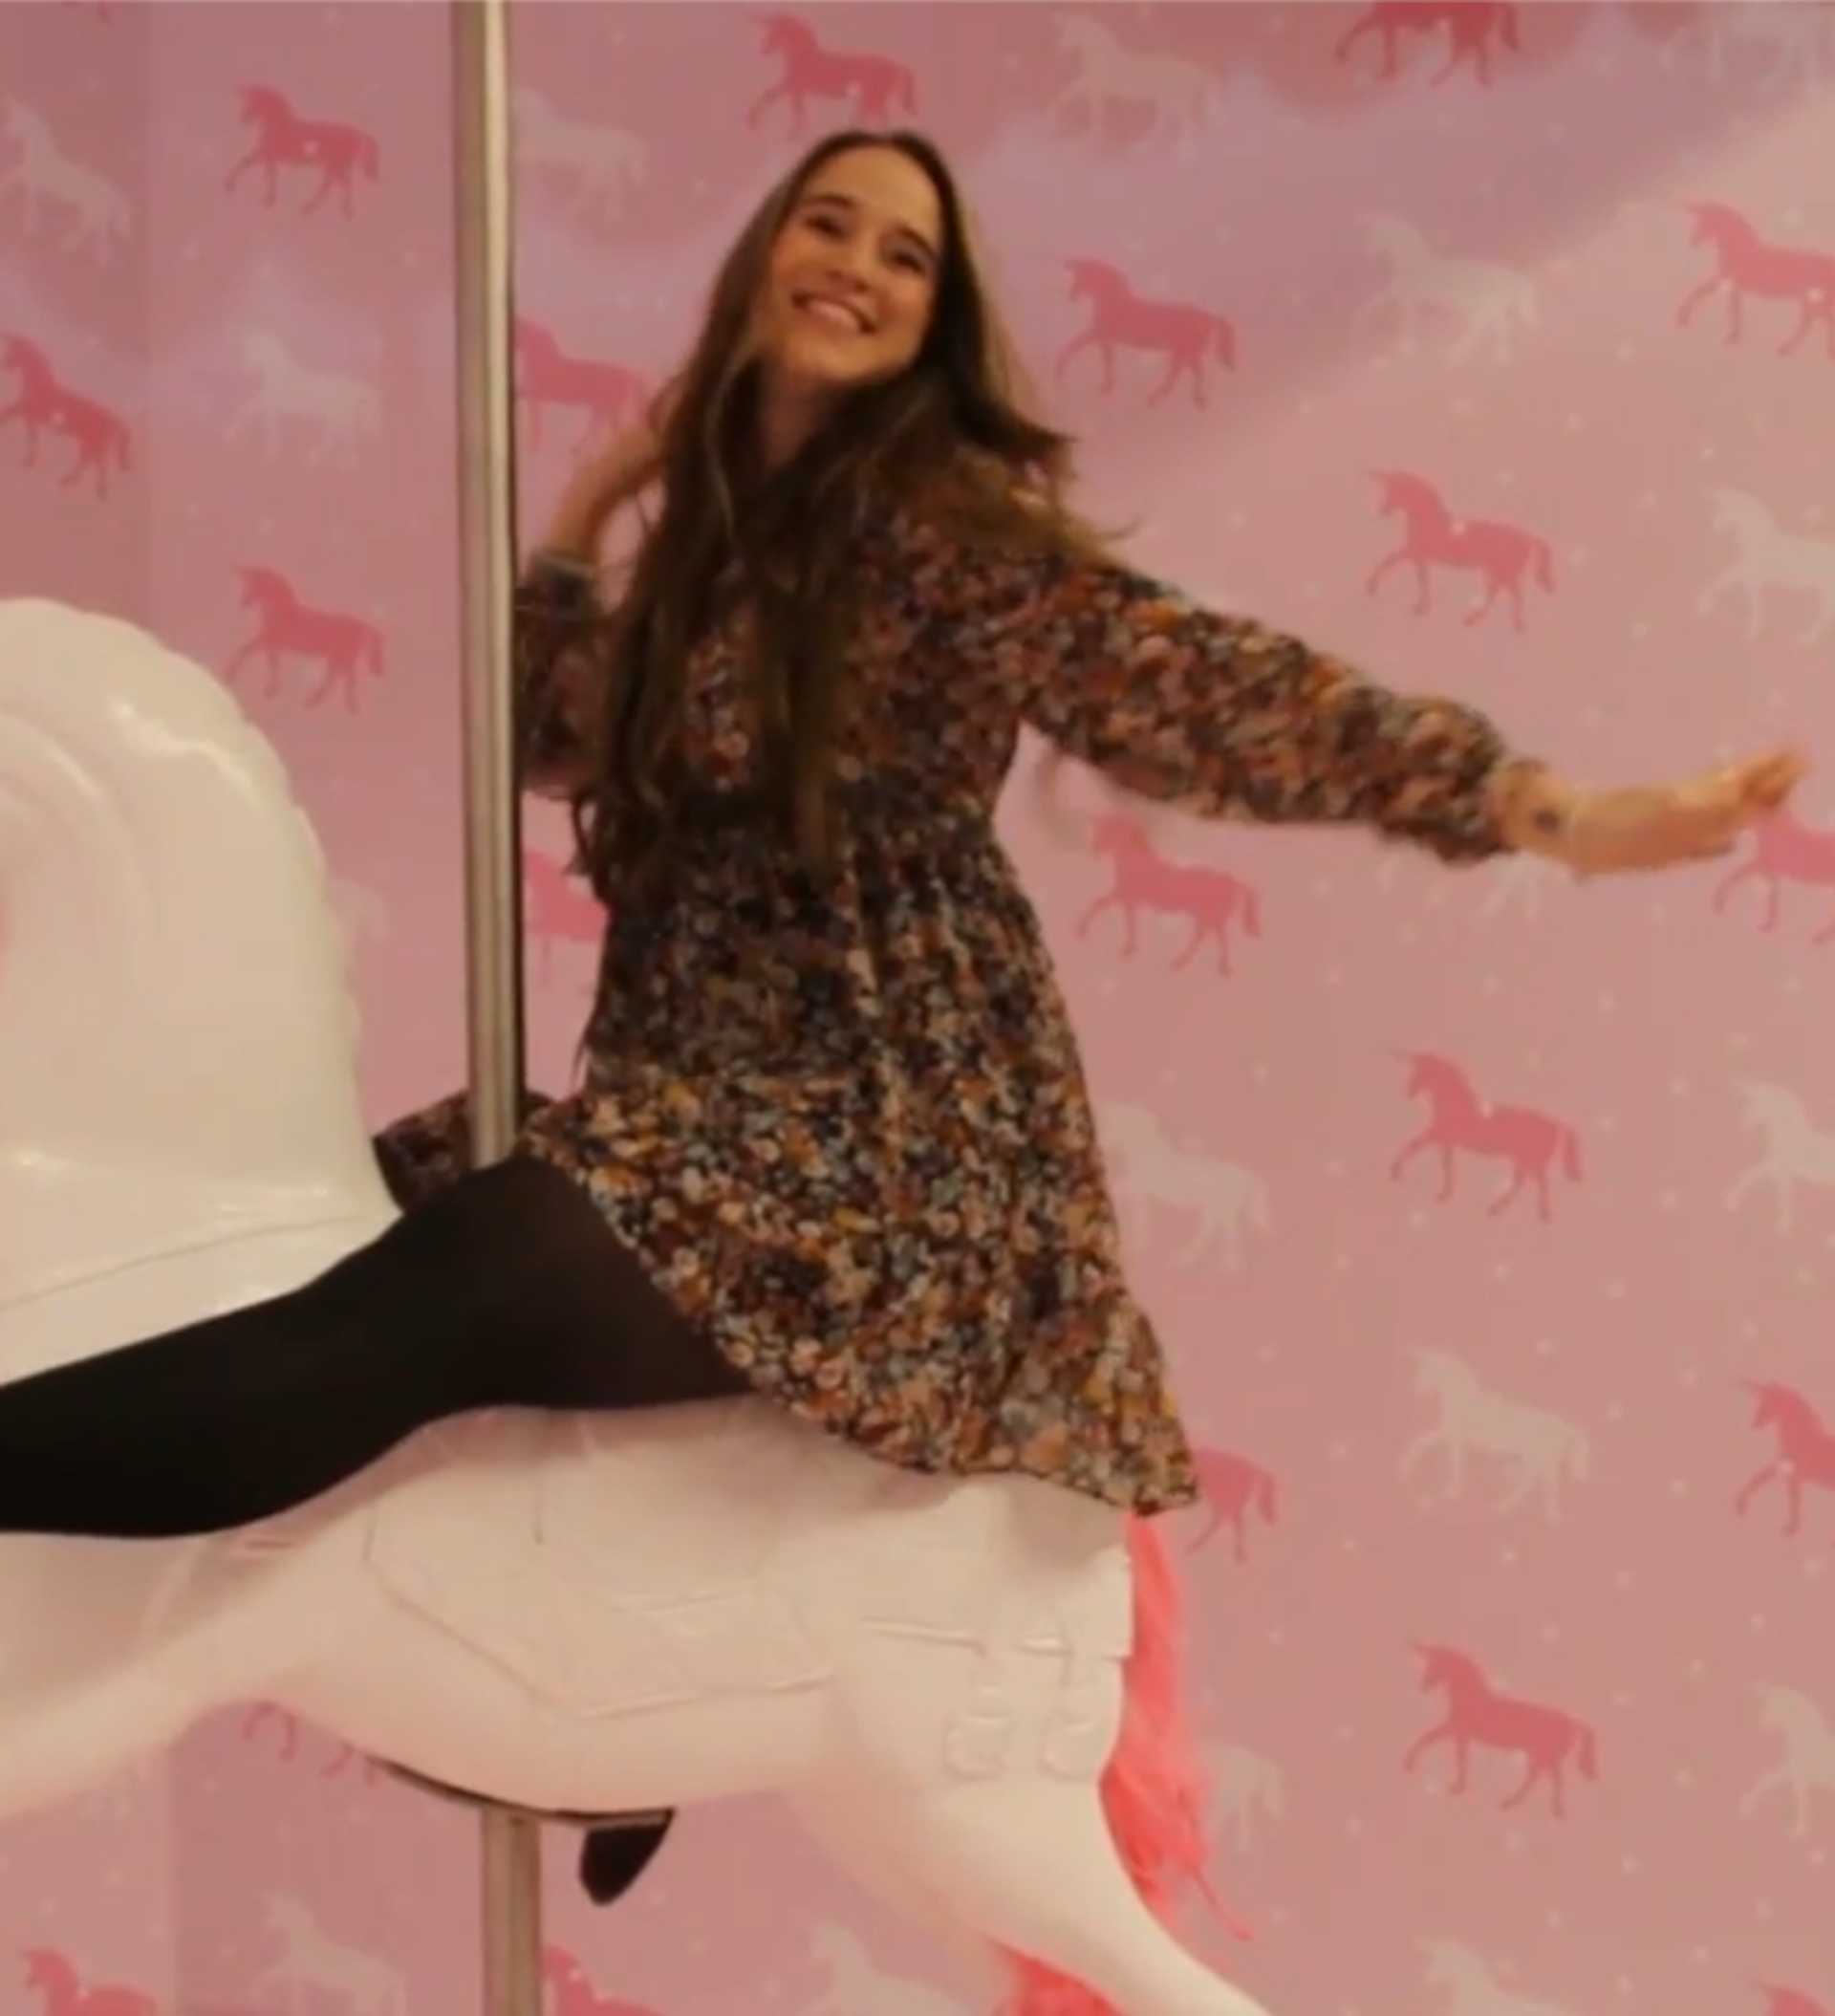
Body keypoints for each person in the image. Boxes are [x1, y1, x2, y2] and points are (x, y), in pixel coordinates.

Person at [0, 127, 1804, 1936]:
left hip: (887, 1139)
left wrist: (1536, 806)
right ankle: (601, 1724)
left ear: (936, 324)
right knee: (401, 1211)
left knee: (451, 1286)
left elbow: (1197, 684)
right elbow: (549, 739)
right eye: (829, 223)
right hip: (701, 1103)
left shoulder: (943, 536)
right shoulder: (713, 552)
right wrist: (594, 511)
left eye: (906, 256)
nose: (856, 266)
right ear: (765, 256)